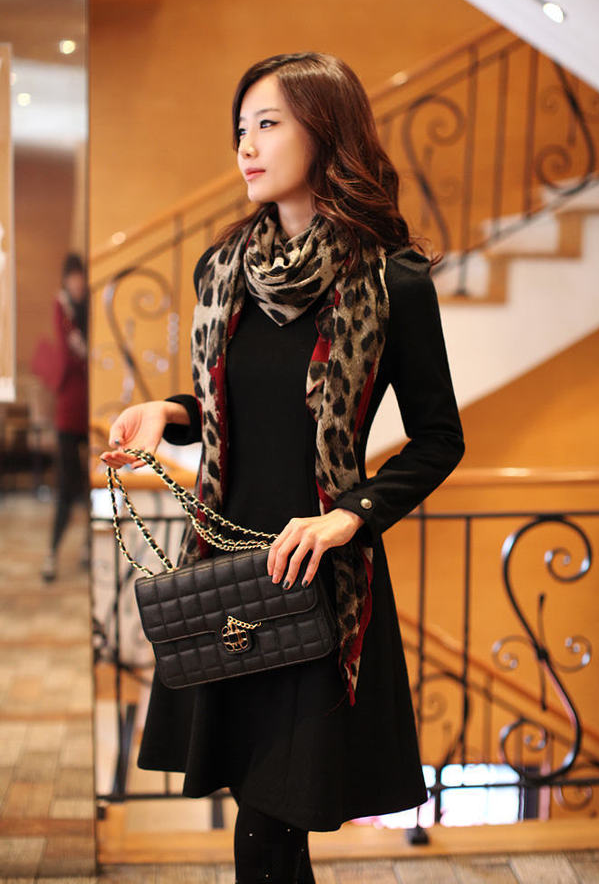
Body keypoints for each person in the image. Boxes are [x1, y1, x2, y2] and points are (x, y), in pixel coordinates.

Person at [101, 51, 465, 883]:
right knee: (263, 817)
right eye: (241, 128)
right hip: (226, 574)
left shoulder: (392, 282)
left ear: (325, 132)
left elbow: (439, 438)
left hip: (318, 582)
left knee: (271, 820)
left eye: (268, 125)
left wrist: (349, 516)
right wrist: (170, 413)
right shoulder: (223, 271)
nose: (247, 146)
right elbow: (234, 407)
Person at [42, 252, 90, 582]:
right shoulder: (62, 308)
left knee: (91, 485)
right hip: (68, 410)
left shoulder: (89, 309)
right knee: (65, 486)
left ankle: (87, 547)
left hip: (89, 407)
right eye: (72, 276)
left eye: (79, 276)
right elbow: (66, 355)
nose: (77, 283)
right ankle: (52, 555)